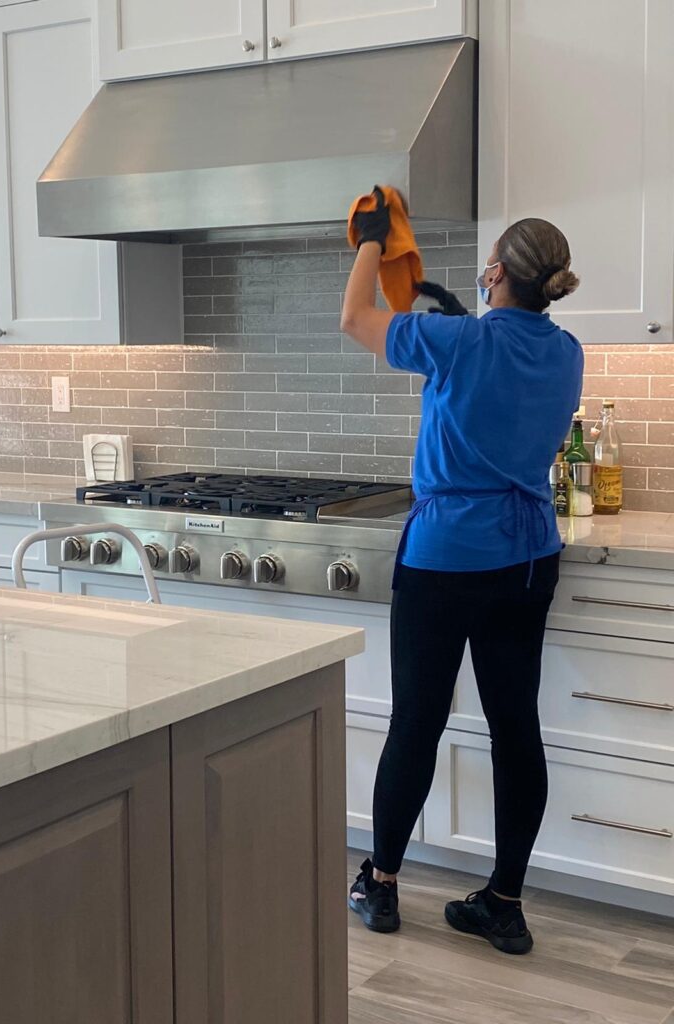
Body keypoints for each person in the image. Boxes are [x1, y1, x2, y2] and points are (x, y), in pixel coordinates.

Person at [342, 192, 583, 956]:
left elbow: (355, 319)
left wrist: (373, 244)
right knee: (517, 728)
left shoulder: (458, 344)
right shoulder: (566, 351)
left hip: (445, 555)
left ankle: (380, 886)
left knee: (417, 719)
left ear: (495, 274)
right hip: (525, 557)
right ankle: (504, 905)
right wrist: (448, 317)